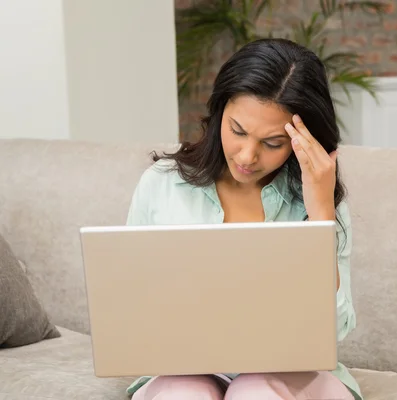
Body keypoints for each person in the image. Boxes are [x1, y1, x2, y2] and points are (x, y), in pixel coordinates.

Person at [124, 38, 361, 400]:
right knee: (184, 395)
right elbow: (131, 306)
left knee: (254, 391)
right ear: (220, 110)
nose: (247, 156)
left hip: (291, 376)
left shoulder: (318, 202)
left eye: (272, 143)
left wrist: (321, 215)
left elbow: (334, 330)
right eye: (237, 131)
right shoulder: (162, 185)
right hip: (183, 370)